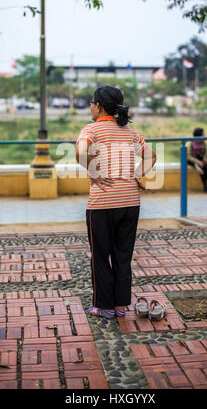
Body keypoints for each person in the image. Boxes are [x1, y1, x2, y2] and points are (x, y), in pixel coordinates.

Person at [76, 86, 156, 319]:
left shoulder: (92, 129)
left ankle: (104, 306)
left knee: (100, 255)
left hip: (102, 205)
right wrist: (138, 175)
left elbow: (80, 152)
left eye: (92, 102)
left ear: (99, 106)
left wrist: (92, 170)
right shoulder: (129, 131)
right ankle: (121, 305)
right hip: (130, 201)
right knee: (123, 255)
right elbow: (152, 156)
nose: (90, 106)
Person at [185, 127, 207, 193]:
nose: (204, 136)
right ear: (199, 136)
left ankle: (198, 166)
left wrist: (205, 159)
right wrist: (198, 162)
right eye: (203, 134)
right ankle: (205, 186)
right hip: (191, 159)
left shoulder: (203, 142)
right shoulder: (189, 143)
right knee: (202, 166)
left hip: (200, 158)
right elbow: (187, 156)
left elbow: (205, 152)